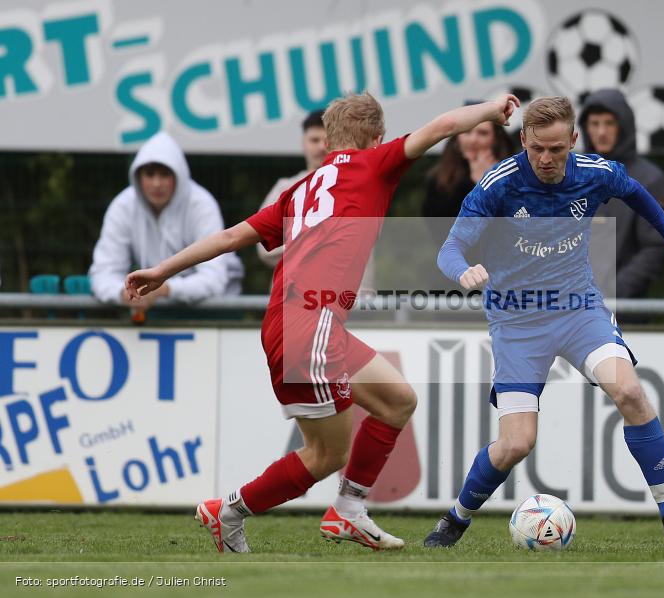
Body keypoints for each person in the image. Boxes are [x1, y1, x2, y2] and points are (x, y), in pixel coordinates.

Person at [125, 91, 520, 553]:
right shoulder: (374, 163)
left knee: (397, 401)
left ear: (329, 141)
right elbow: (442, 127)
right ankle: (228, 512)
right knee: (327, 454)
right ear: (377, 138)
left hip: (304, 322)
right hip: (308, 327)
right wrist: (492, 109)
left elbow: (231, 236)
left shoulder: (301, 189)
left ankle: (349, 509)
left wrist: (162, 269)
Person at [426, 97, 664, 550]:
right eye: (537, 148)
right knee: (517, 443)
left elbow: (636, 193)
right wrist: (462, 270)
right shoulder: (498, 184)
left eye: (556, 149)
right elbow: (450, 249)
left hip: (579, 308)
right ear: (523, 141)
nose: (545, 158)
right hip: (518, 321)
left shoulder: (595, 172)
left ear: (573, 141)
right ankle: (455, 520)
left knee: (630, 392)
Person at [89, 132, 244, 312]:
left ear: (179, 176)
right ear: (138, 176)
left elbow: (214, 279)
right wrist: (124, 293)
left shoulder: (201, 205)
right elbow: (103, 272)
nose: (157, 183)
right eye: (149, 174)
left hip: (214, 311)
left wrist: (164, 289)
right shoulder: (123, 206)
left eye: (164, 174)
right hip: (156, 310)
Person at [579, 88, 664, 298]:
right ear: (585, 128)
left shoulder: (650, 180)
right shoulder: (570, 174)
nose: (601, 132)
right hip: (571, 304)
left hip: (625, 307)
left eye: (609, 123)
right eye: (595, 123)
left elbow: (656, 247)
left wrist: (613, 291)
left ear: (624, 125)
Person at [423, 116, 515, 240]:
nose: (473, 140)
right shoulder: (439, 180)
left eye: (483, 133)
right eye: (466, 131)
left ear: (496, 140)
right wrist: (476, 185)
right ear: (457, 138)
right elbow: (442, 232)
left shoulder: (515, 173)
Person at [257, 110, 327, 269]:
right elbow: (263, 244)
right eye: (314, 140)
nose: (321, 147)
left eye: (328, 141)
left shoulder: (354, 185)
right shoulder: (285, 189)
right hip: (294, 284)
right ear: (303, 143)